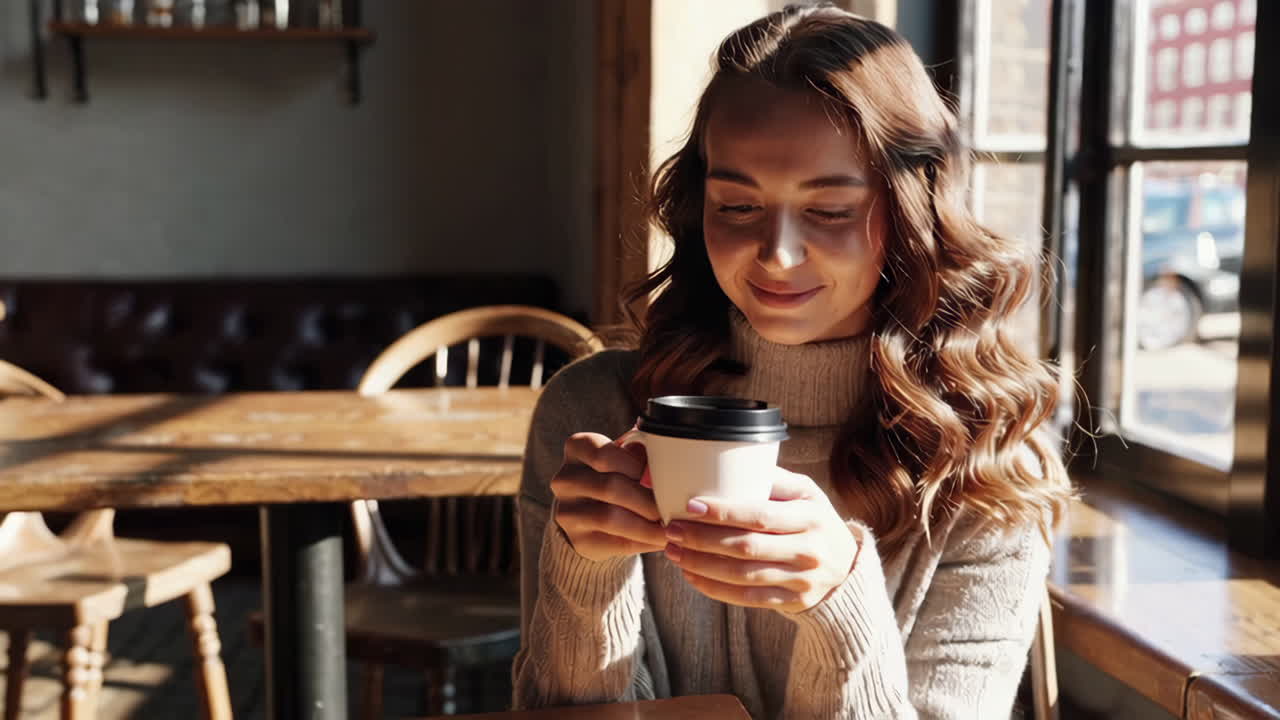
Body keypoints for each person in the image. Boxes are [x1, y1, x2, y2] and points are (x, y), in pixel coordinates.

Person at [512, 4, 1072, 718]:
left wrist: (840, 603)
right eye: (737, 207)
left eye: (831, 210)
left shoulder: (993, 458)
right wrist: (585, 569)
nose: (775, 255)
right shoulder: (592, 413)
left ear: (913, 212)